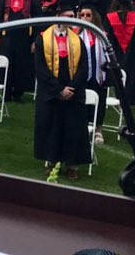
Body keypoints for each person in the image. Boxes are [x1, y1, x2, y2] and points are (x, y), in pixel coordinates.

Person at [33, 16, 90, 180]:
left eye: (73, 16)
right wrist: (58, 89)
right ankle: (52, 162)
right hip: (52, 93)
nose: (72, 19)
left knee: (73, 129)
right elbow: (40, 67)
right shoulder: (42, 39)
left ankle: (72, 165)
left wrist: (71, 88)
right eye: (69, 16)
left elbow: (84, 67)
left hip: (73, 93)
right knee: (52, 128)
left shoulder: (77, 40)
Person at [0, 0, 38, 102]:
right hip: (7, 38)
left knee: (21, 66)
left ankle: (18, 93)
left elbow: (38, 20)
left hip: (24, 39)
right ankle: (5, 93)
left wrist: (35, 40)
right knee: (6, 64)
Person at [76, 5, 109, 145]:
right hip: (83, 74)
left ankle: (98, 129)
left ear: (94, 17)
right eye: (82, 15)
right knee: (82, 101)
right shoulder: (77, 35)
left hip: (99, 74)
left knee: (99, 102)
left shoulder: (102, 35)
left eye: (88, 15)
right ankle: (82, 128)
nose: (84, 18)